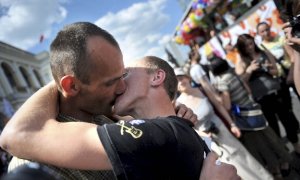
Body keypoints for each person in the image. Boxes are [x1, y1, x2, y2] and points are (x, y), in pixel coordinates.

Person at [0, 22, 239, 180]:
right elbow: (17, 134)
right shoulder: (31, 161)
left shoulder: (111, 117)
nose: (122, 87)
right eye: (111, 81)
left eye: (123, 74)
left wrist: (168, 119)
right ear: (71, 85)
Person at [175, 68, 273, 180]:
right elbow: (185, 128)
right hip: (208, 140)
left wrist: (232, 124)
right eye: (176, 81)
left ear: (188, 78)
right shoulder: (179, 104)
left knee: (244, 157)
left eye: (181, 78)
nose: (180, 82)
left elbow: (219, 106)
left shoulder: (202, 90)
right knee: (229, 166)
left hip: (222, 129)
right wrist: (201, 134)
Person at [209, 57, 294, 178]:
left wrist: (218, 99)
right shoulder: (233, 74)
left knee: (260, 144)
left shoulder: (222, 82)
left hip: (244, 117)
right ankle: (285, 160)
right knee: (270, 137)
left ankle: (276, 170)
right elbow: (248, 90)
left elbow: (227, 105)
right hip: (253, 110)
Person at [235, 34, 300, 153]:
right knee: (273, 128)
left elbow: (276, 71)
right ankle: (283, 153)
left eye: (251, 43)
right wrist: (249, 70)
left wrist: (268, 68)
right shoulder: (242, 61)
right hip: (262, 99)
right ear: (242, 48)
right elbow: (240, 80)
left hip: (276, 92)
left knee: (288, 121)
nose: (250, 47)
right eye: (246, 46)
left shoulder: (264, 52)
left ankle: (296, 146)